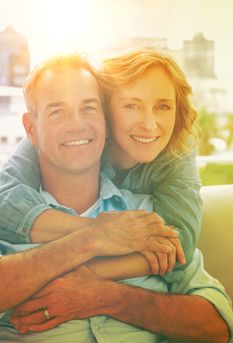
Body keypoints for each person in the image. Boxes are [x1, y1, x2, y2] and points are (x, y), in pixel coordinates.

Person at [0, 53, 232, 343]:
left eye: (88, 108)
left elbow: (219, 325)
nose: (77, 125)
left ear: (104, 122)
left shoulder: (148, 218)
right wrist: (93, 237)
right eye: (57, 112)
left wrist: (105, 296)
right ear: (31, 128)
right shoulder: (12, 208)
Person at [0, 47, 201, 280]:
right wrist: (102, 234)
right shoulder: (68, 139)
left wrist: (79, 279)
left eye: (163, 106)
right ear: (106, 111)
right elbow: (4, 200)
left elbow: (179, 243)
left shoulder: (177, 150)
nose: (149, 124)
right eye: (131, 106)